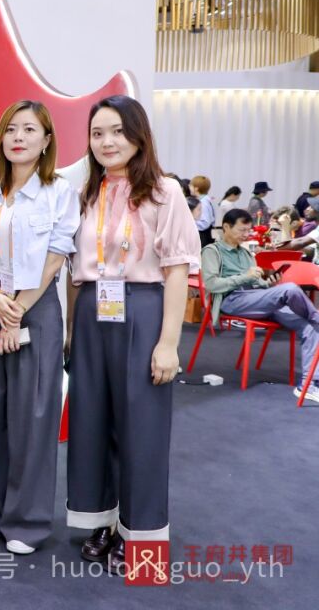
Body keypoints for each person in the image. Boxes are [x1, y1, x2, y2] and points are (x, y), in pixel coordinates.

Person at [65, 95, 200, 577]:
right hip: (91, 313)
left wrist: (168, 343)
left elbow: (177, 271)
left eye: (118, 131)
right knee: (92, 422)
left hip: (142, 310)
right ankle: (102, 521)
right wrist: (70, 330)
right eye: (97, 133)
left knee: (142, 428)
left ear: (139, 135)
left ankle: (140, 535)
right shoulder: (88, 192)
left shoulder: (164, 191)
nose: (107, 141)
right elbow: (75, 272)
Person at [0, 100, 79, 555]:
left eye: (29, 130)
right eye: (11, 129)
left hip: (36, 310)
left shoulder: (59, 192)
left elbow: (56, 255)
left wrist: (17, 308)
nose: (18, 137)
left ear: (46, 140)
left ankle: (26, 521)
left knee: (33, 417)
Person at [207, 210, 319, 404]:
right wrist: (245, 278)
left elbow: (257, 283)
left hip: (256, 298)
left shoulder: (245, 253)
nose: (246, 235)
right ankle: (316, 315)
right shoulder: (212, 251)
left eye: (248, 231)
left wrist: (269, 283)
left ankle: (309, 385)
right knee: (290, 289)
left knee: (311, 327)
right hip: (232, 300)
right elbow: (212, 285)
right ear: (226, 227)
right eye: (242, 230)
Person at [190, 175, 216, 247]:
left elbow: (205, 223)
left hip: (203, 237)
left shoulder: (203, 202)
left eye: (191, 186)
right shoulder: (206, 200)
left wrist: (190, 223)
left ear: (196, 188)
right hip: (205, 235)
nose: (189, 187)